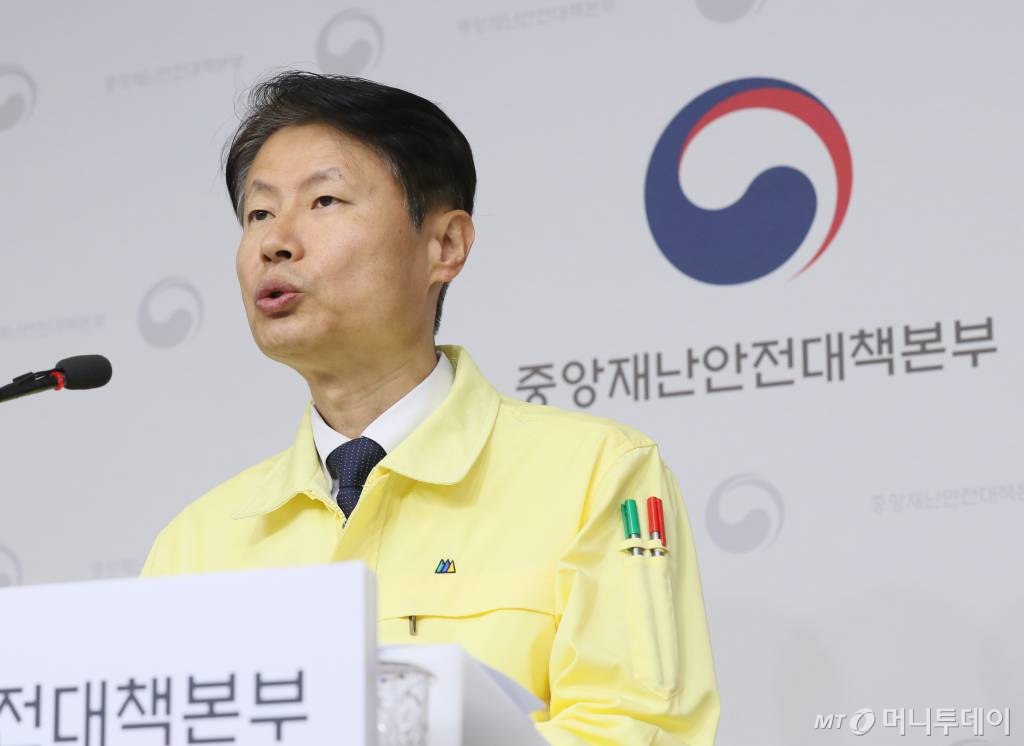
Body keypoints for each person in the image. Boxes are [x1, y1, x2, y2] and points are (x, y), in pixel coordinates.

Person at [141, 71, 720, 745]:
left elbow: (637, 729)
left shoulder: (597, 475)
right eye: (259, 214)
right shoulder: (197, 542)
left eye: (324, 200)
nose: (275, 242)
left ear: (444, 245)